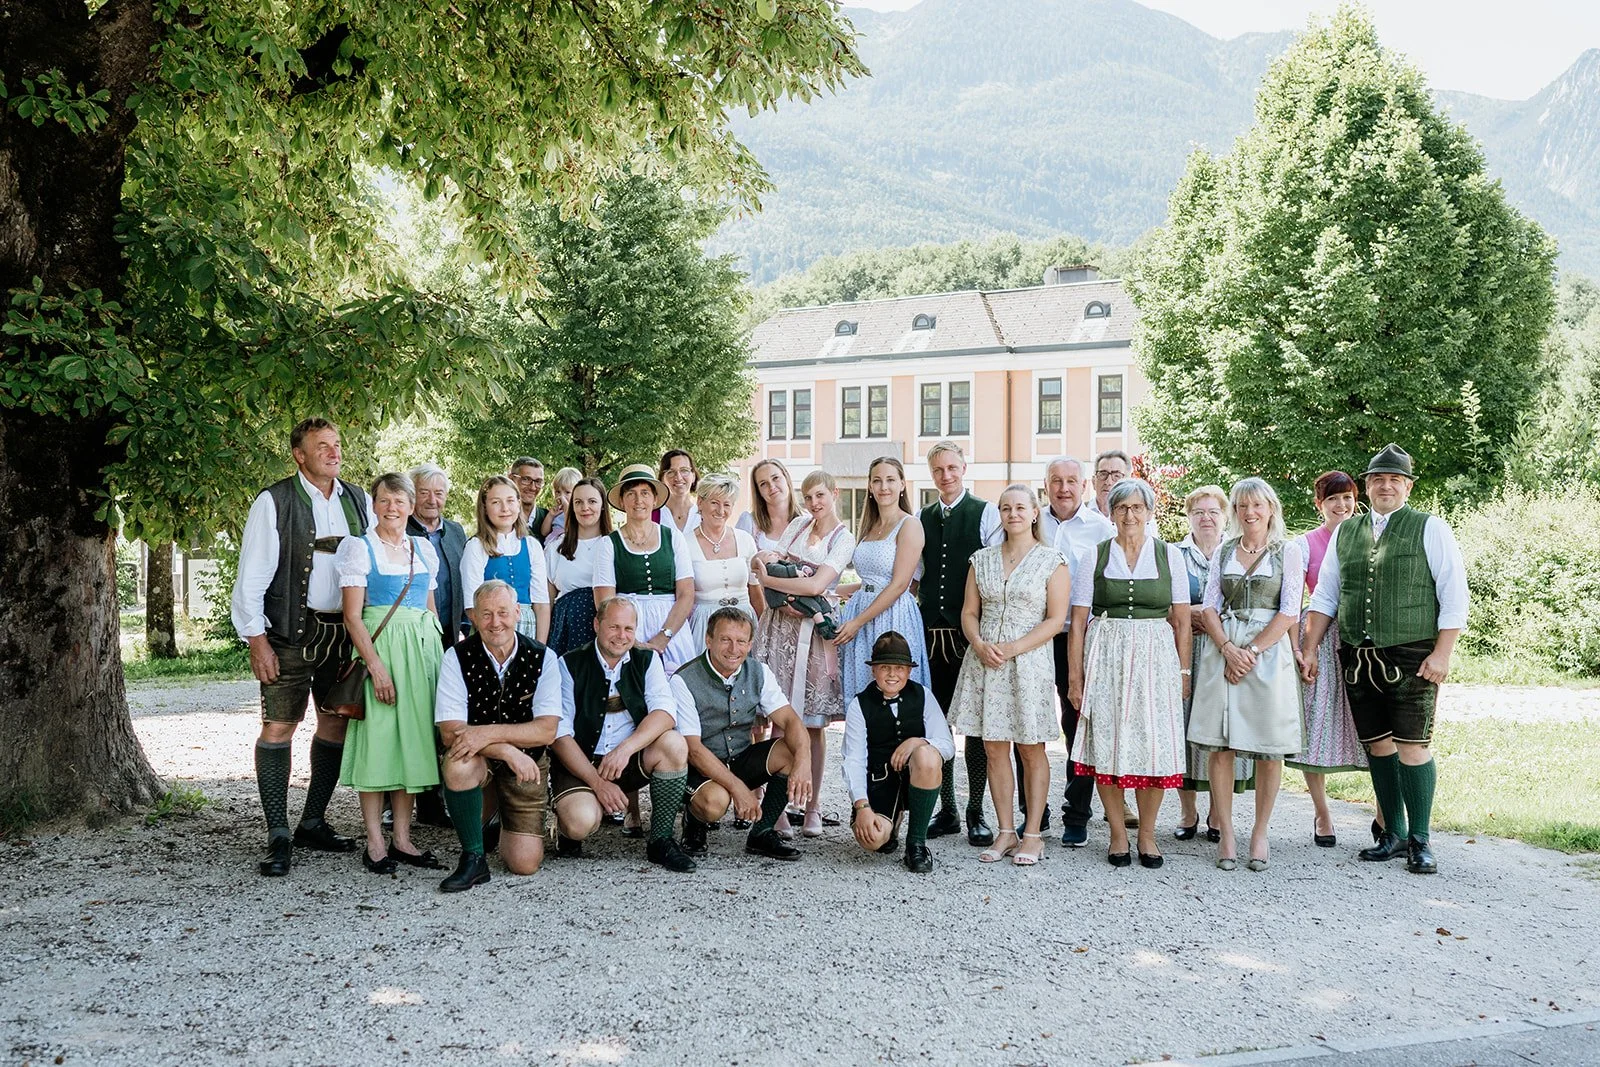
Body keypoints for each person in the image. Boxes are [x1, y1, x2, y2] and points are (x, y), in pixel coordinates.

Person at [1303, 444, 1468, 875]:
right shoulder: (1347, 531)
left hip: (1414, 652)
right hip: (1358, 654)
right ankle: (1391, 834)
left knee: (1414, 747)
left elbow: (1454, 595)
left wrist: (1442, 653)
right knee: (1378, 745)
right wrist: (1309, 648)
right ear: (1368, 486)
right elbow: (1326, 595)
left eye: (1395, 479)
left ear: (1408, 486)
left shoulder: (1430, 527)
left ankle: (1421, 840)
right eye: (1379, 479)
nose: (1386, 485)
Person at [231, 417, 373, 877]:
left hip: (343, 634)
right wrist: (257, 639)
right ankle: (277, 832)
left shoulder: (358, 499)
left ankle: (312, 820)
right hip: (289, 633)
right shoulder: (274, 502)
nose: (333, 452)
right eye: (322, 446)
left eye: (336, 444)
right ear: (300, 455)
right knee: (279, 728)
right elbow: (250, 578)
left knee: (334, 727)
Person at [1068, 478, 1192, 869]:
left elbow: (1183, 623)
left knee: (1153, 744)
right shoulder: (1095, 555)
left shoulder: (1169, 555)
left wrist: (1184, 671)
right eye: (1122, 508)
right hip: (1106, 654)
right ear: (1111, 512)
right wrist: (1075, 677)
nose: (1129, 515)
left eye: (1137, 507)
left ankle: (1149, 834)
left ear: (1149, 512)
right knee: (1107, 739)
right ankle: (1118, 833)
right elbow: (1077, 621)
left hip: (1156, 657)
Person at [948, 484, 1070, 866]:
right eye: (1005, 508)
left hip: (1028, 663)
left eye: (1020, 507)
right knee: (993, 747)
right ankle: (1005, 830)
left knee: (1031, 747)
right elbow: (969, 611)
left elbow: (1055, 620)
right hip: (985, 660)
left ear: (1035, 512)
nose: (1013, 513)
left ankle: (1033, 832)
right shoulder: (981, 560)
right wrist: (979, 643)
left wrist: (1014, 648)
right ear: (999, 514)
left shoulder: (1053, 560)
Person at [1188, 479, 1305, 871]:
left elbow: (1289, 611)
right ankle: (1227, 833)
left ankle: (1260, 831)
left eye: (1256, 505)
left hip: (1267, 654)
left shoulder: (1287, 552)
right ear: (1235, 511)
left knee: (1268, 747)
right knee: (1222, 744)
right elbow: (1208, 608)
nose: (1249, 512)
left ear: (1270, 508)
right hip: (1225, 650)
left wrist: (1251, 651)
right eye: (1241, 506)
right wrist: (1226, 649)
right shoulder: (1223, 551)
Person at [336, 472, 445, 874]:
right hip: (382, 649)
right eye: (384, 500)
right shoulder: (359, 549)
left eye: (400, 501)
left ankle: (402, 838)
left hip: (422, 650)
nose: (392, 507)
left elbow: (429, 607)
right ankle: (375, 840)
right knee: (379, 742)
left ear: (411, 506)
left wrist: (441, 657)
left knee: (412, 743)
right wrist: (376, 667)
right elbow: (352, 616)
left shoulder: (422, 548)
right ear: (374, 505)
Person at [548, 597, 698, 872]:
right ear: (596, 624)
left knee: (674, 744)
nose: (621, 636)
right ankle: (566, 828)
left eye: (629, 629)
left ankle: (661, 840)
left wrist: (625, 750)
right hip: (583, 763)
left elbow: (665, 713)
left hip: (626, 760)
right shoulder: (569, 663)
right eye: (614, 627)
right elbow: (559, 735)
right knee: (580, 823)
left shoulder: (647, 658)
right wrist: (597, 782)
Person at [434, 580, 563, 892]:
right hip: (486, 760)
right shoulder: (456, 657)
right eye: (487, 614)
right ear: (474, 618)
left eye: (503, 612)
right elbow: (451, 732)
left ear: (518, 613)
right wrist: (508, 751)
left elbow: (546, 729)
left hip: (528, 763)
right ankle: (474, 857)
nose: (496, 622)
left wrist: (487, 733)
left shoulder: (543, 657)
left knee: (524, 865)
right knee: (458, 763)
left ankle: (499, 821)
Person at [751, 468, 856, 838]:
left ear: (834, 493)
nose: (814, 504)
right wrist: (778, 581)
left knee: (812, 724)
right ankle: (777, 809)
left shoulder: (844, 538)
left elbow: (817, 583)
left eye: (820, 496)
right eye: (808, 497)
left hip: (812, 635)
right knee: (779, 719)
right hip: (779, 627)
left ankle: (812, 806)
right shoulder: (797, 524)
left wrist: (770, 582)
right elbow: (765, 559)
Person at [674, 607, 815, 861]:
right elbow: (693, 749)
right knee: (715, 803)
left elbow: (791, 720)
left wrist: (804, 760)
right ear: (709, 639)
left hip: (739, 757)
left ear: (750, 644)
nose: (733, 649)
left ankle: (762, 833)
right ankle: (694, 821)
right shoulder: (684, 679)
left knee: (791, 751)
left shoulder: (758, 672)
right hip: (700, 766)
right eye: (725, 639)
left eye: (741, 641)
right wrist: (738, 788)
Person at [916, 440, 1002, 846]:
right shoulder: (923, 516)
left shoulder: (985, 512)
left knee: (978, 727)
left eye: (952, 467)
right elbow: (915, 574)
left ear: (964, 468)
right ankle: (947, 808)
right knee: (939, 724)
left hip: (971, 634)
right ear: (931, 474)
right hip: (930, 634)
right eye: (938, 470)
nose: (946, 476)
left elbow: (995, 565)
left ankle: (975, 811)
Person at [1288, 471, 1371, 848]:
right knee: (1317, 723)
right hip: (1320, 636)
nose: (1342, 505)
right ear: (1319, 504)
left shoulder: (1371, 537)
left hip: (1362, 634)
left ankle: (1384, 814)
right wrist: (1303, 647)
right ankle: (1322, 811)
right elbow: (1293, 600)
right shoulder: (1304, 545)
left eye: (1348, 498)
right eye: (1333, 499)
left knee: (1370, 724)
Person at [1173, 486, 1253, 842]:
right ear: (1189, 517)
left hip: (1226, 651)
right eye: (1199, 512)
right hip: (1186, 650)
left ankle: (1219, 815)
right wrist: (1195, 614)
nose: (1206, 518)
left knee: (1225, 730)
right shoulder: (1174, 555)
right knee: (1183, 728)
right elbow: (1164, 606)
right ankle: (1188, 813)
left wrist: (1211, 619)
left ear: (1225, 517)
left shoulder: (1238, 554)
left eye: (1213, 512)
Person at [841, 632, 956, 874]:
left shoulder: (923, 695)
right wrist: (861, 806)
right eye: (885, 667)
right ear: (874, 671)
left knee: (928, 755)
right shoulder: (859, 705)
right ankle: (890, 827)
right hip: (880, 782)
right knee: (871, 839)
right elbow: (854, 759)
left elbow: (947, 745)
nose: (892, 674)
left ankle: (916, 843)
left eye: (899, 668)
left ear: (909, 671)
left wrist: (918, 741)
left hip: (915, 776)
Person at [1043, 456, 1113, 846]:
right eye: (1056, 481)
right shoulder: (1032, 522)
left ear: (1084, 486)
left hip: (1083, 639)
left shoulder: (1102, 530)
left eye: (1071, 481)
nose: (1064, 488)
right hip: (1036, 638)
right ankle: (1034, 813)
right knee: (1030, 726)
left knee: (1078, 725)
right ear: (1047, 485)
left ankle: (1077, 814)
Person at [833, 456, 929, 708]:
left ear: (902, 484)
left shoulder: (910, 524)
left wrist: (857, 622)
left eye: (890, 480)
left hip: (891, 615)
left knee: (893, 691)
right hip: (862, 612)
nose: (883, 487)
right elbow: (869, 581)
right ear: (870, 487)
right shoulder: (869, 527)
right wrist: (829, 591)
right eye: (877, 481)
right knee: (865, 694)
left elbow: (899, 584)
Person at [593, 463, 698, 673]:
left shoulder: (673, 538)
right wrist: (631, 640)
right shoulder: (608, 544)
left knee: (680, 688)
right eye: (631, 494)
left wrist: (663, 637)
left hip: (672, 627)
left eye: (644, 493)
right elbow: (605, 602)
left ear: (655, 499)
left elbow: (686, 594)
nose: (638, 500)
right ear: (622, 501)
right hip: (627, 627)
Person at [460, 475, 551, 642]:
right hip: (489, 630)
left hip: (527, 630)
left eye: (510, 501)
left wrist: (540, 647)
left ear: (518, 504)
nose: (505, 508)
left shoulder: (532, 545)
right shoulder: (476, 546)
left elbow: (542, 604)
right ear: (485, 507)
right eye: (496, 502)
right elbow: (472, 606)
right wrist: (496, 635)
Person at [686, 473, 761, 652]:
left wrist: (764, 628)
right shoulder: (684, 543)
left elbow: (755, 590)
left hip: (745, 621)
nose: (721, 510)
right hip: (705, 624)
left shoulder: (745, 540)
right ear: (700, 503)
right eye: (714, 502)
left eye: (726, 504)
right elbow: (681, 595)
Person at [546, 476, 612, 656]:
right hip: (566, 626)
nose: (585, 508)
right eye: (578, 502)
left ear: (603, 505)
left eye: (592, 501)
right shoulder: (556, 547)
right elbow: (548, 601)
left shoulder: (614, 545)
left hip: (605, 626)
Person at [406, 463, 467, 649]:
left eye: (439, 493)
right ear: (411, 495)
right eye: (423, 493)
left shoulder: (456, 531)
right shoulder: (401, 531)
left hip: (451, 631)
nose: (432, 500)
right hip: (413, 632)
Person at [737, 458, 802, 553]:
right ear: (758, 492)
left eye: (775, 478)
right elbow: (738, 562)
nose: (771, 486)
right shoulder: (749, 523)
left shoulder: (807, 521)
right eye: (763, 484)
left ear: (786, 478)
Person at [657, 448, 702, 538]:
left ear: (693, 476)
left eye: (684, 470)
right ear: (662, 479)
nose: (678, 477)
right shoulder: (653, 516)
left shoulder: (703, 516)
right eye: (671, 472)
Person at [541, 466, 582, 544]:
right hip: (553, 543)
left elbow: (571, 528)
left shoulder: (578, 511)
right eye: (558, 492)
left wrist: (567, 509)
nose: (561, 496)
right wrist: (550, 515)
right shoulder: (557, 510)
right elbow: (544, 532)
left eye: (567, 492)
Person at [509, 456, 548, 534]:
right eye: (526, 479)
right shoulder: (503, 517)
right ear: (511, 479)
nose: (533, 488)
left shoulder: (549, 518)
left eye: (538, 481)